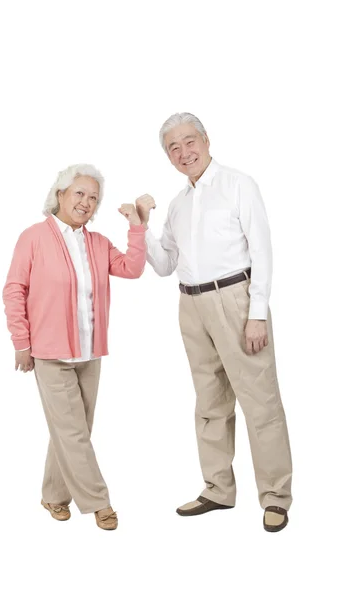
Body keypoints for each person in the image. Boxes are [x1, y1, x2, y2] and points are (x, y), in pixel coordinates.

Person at [136, 113, 292, 532]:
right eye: (174, 147)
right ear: (168, 157)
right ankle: (218, 488)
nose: (184, 152)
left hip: (236, 300)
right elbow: (166, 265)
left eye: (190, 141)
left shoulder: (238, 184)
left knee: (260, 401)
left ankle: (276, 495)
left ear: (206, 139)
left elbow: (262, 250)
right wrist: (141, 227)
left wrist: (257, 313)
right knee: (210, 403)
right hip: (191, 305)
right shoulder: (177, 204)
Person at [3, 163, 146, 531]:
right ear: (61, 193)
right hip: (50, 354)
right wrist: (22, 342)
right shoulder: (33, 237)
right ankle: (99, 501)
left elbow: (132, 268)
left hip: (89, 353)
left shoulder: (97, 243)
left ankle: (53, 494)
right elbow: (14, 289)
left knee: (72, 430)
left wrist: (137, 225)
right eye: (79, 193)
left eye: (93, 197)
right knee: (73, 432)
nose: (86, 202)